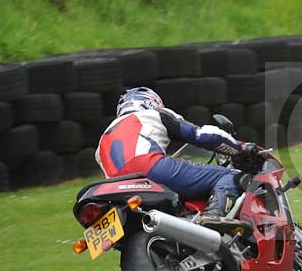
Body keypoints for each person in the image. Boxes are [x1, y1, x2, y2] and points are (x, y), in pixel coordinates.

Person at [95, 87, 253, 225]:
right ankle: (213, 217)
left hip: (120, 189)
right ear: (151, 102)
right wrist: (240, 149)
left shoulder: (102, 141)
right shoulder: (153, 114)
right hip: (150, 169)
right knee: (230, 176)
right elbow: (201, 135)